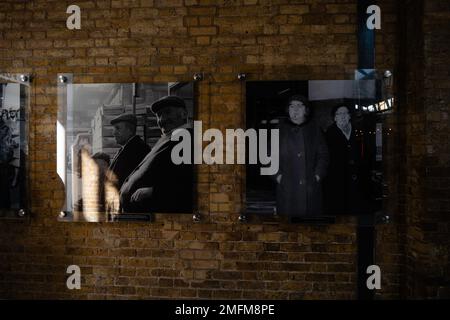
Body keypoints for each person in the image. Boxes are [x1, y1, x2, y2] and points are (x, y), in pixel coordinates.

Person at [119, 96, 193, 214]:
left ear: (184, 114)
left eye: (168, 112)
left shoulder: (186, 139)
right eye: (159, 115)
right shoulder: (170, 137)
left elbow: (187, 181)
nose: (162, 119)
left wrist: (153, 191)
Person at [273, 95, 329, 217]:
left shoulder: (314, 129)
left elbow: (323, 155)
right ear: (288, 110)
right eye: (292, 106)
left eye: (299, 105)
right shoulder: (279, 129)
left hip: (310, 186)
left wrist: (318, 175)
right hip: (287, 188)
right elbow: (268, 156)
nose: (295, 109)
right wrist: (278, 176)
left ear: (306, 110)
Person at [324, 105, 369, 214]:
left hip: (357, 177)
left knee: (357, 206)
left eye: (346, 113)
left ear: (349, 116)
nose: (343, 116)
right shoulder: (329, 134)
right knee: (340, 208)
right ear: (335, 118)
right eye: (339, 114)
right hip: (338, 178)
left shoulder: (358, 131)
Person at [108, 113, 150, 190]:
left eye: (118, 128)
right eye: (114, 129)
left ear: (130, 130)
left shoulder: (139, 149)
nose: (114, 133)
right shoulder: (125, 148)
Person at [0, 118, 14, 208]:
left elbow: (7, 147)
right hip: (3, 162)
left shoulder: (5, 129)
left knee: (3, 188)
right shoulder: (6, 128)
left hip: (2, 162)